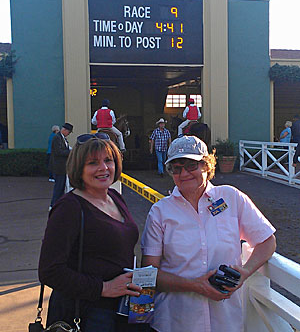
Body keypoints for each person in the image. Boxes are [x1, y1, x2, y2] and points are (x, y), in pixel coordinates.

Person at [141, 135, 276, 332]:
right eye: (176, 168)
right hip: (176, 321)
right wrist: (195, 285)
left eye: (191, 165)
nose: (184, 173)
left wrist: (245, 272)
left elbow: (267, 241)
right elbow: (150, 274)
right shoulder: (160, 212)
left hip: (226, 320)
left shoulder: (231, 197)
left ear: (206, 165)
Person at [39, 134, 149, 332]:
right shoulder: (69, 208)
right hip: (87, 314)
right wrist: (103, 288)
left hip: (121, 309)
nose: (103, 168)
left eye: (108, 160)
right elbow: (49, 271)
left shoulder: (114, 197)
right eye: (92, 163)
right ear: (78, 169)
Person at [50, 122, 73, 209]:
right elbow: (58, 152)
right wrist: (70, 152)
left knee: (61, 187)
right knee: (58, 188)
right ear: (64, 130)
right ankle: (53, 205)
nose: (69, 134)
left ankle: (58, 204)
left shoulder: (62, 138)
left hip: (62, 167)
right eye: (69, 132)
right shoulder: (57, 138)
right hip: (59, 167)